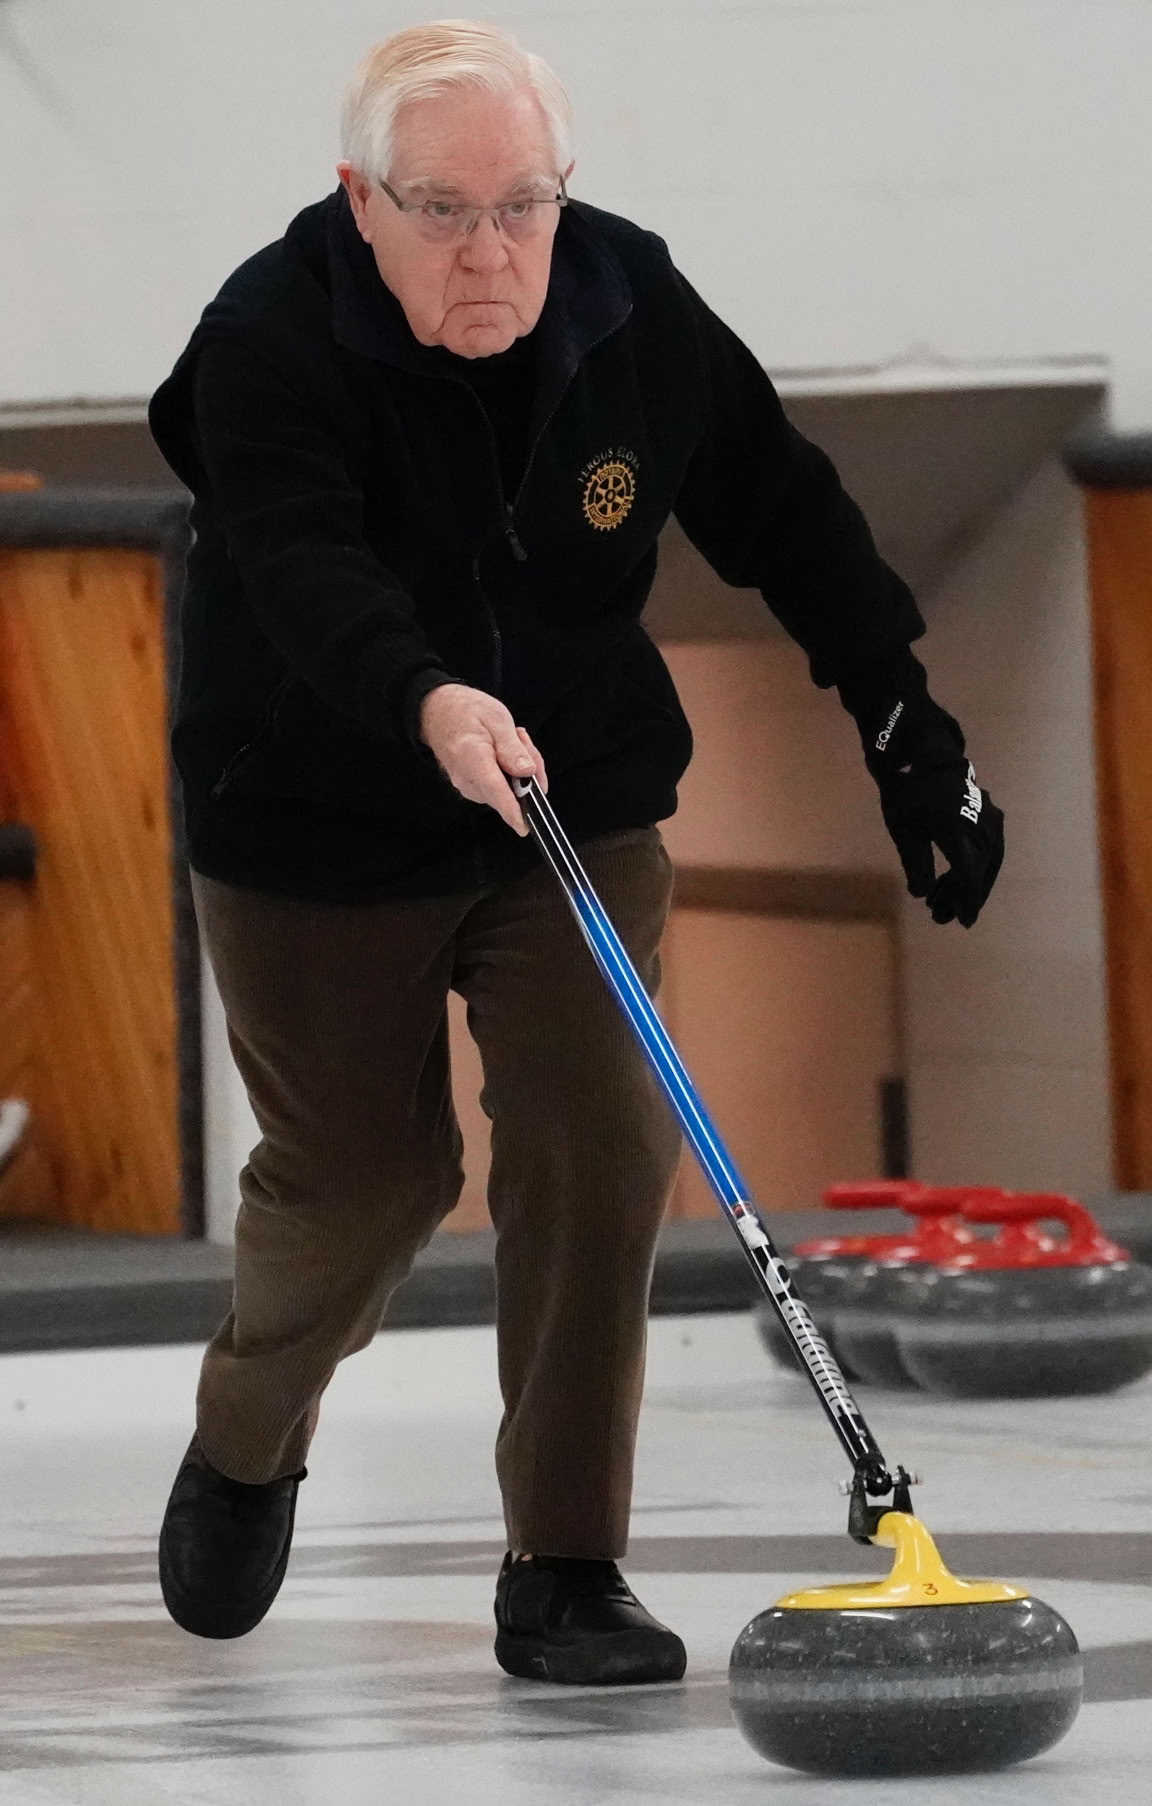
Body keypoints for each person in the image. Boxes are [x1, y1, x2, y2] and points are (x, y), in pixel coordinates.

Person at [148, 20, 1004, 1685]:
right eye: (444, 208)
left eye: (522, 203)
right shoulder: (266, 337)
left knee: (604, 1133)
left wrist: (902, 712)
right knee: (370, 1182)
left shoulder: (628, 304)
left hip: (571, 792)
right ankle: (248, 1430)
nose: (493, 248)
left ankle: (565, 1563)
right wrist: (430, 699)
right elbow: (305, 566)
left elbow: (784, 503)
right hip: (315, 811)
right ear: (360, 203)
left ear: (565, 194)